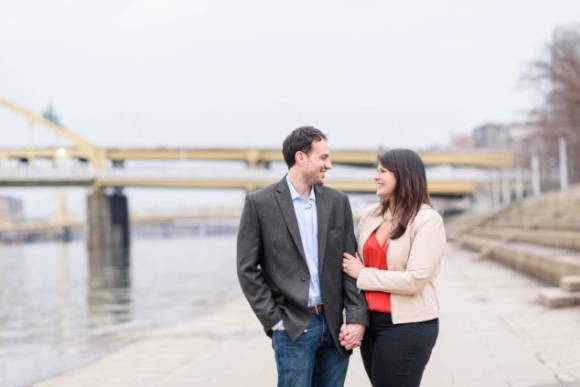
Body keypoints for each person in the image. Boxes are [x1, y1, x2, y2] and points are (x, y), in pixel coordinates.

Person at [237, 126, 368, 387]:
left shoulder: (337, 202)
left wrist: (355, 318)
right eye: (323, 158)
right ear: (300, 158)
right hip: (293, 327)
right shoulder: (259, 204)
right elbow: (247, 269)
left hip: (335, 329)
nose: (329, 165)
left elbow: (349, 264)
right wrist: (274, 320)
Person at [341, 148, 446, 387]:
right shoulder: (370, 215)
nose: (375, 177)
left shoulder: (428, 220)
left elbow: (415, 280)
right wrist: (354, 318)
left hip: (409, 325)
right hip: (371, 323)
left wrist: (363, 274)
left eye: (383, 171)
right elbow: (352, 263)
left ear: (404, 175)